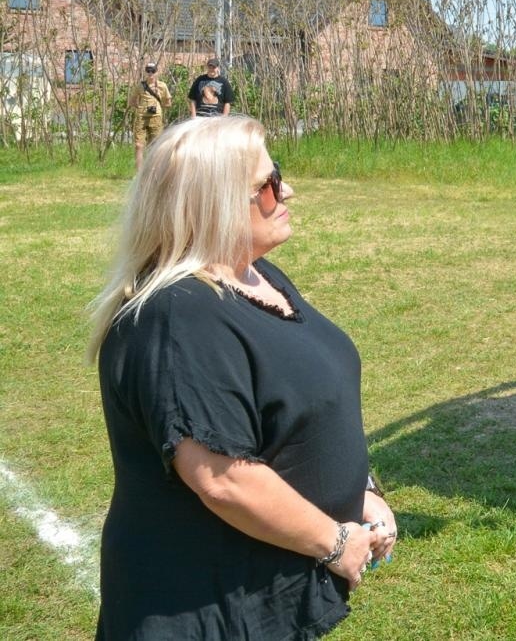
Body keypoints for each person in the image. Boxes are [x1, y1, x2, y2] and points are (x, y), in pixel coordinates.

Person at [87, 115, 397, 639]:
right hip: (202, 609)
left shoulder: (255, 275)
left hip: (262, 588)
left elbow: (306, 406)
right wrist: (336, 542)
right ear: (214, 203)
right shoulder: (178, 316)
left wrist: (359, 492)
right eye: (269, 184)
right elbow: (223, 478)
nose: (288, 190)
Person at [131, 62, 171, 169]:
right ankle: (139, 173)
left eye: (153, 71)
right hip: (142, 117)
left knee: (155, 145)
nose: (150, 73)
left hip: (156, 118)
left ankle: (153, 170)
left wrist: (158, 106)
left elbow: (168, 102)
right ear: (145, 72)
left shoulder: (162, 86)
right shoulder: (140, 85)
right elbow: (132, 100)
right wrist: (140, 107)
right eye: (148, 71)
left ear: (157, 72)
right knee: (139, 145)